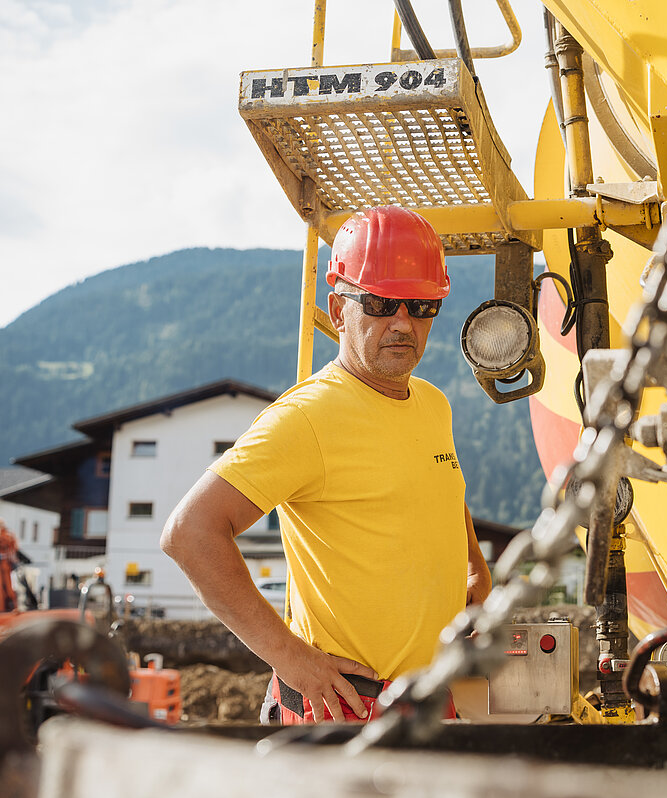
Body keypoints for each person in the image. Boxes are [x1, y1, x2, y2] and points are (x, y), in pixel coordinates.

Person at [162, 206, 491, 724]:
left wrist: (473, 563)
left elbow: (443, 488)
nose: (403, 323)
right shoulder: (307, 418)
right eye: (381, 303)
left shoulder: (432, 404)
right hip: (346, 710)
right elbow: (190, 532)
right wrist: (291, 659)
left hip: (434, 699)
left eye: (421, 305)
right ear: (338, 310)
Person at [0, 518, 18, 612]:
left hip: (5, 566)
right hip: (5, 566)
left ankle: (7, 607)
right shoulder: (8, 535)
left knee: (8, 588)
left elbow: (12, 548)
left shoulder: (6, 535)